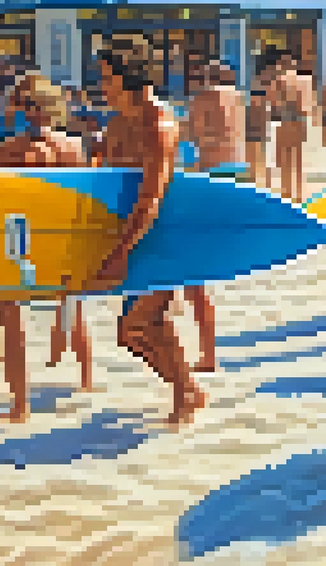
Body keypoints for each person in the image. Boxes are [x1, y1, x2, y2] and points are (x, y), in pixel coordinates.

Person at [88, 35, 205, 426]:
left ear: (129, 75)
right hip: (134, 237)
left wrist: (120, 253)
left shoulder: (159, 124)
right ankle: (187, 390)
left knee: (143, 323)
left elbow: (151, 199)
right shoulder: (118, 123)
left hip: (164, 236)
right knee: (131, 334)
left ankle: (185, 397)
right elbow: (106, 183)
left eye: (107, 77)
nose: (101, 86)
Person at [0, 75, 91, 421]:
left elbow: (2, 204)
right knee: (72, 310)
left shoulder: (8, 151)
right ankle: (86, 382)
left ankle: (20, 405)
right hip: (61, 238)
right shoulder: (73, 148)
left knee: (10, 318)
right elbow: (82, 199)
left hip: (20, 237)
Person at [181, 60, 246, 374]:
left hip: (211, 161)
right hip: (237, 161)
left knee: (204, 227)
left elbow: (193, 133)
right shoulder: (238, 96)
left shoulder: (202, 98)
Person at [270, 50, 315, 201]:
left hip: (285, 120)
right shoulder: (305, 81)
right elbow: (308, 105)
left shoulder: (279, 80)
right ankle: (299, 193)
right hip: (300, 121)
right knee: (298, 159)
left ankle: (286, 191)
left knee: (285, 160)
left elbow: (275, 102)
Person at [245, 54, 273, 189]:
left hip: (258, 121)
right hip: (257, 122)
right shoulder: (260, 84)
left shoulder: (259, 83)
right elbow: (257, 104)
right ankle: (260, 182)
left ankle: (259, 182)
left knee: (258, 156)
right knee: (258, 155)